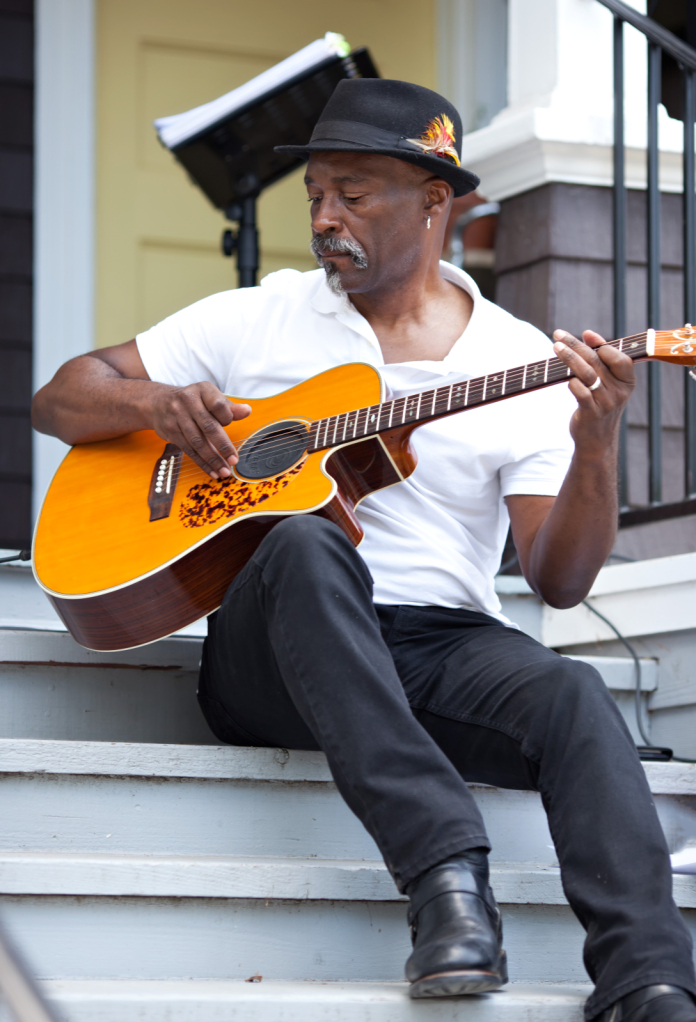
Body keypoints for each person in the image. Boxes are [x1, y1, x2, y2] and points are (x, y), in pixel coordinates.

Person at [32, 79, 696, 1021]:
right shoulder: (256, 316)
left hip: (438, 645)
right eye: (315, 196)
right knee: (307, 541)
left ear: (435, 202)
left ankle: (651, 979)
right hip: (276, 647)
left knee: (575, 694)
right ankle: (447, 882)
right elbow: (60, 397)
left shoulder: (516, 359)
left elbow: (559, 578)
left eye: (353, 194)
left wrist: (596, 446)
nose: (325, 218)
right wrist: (154, 407)